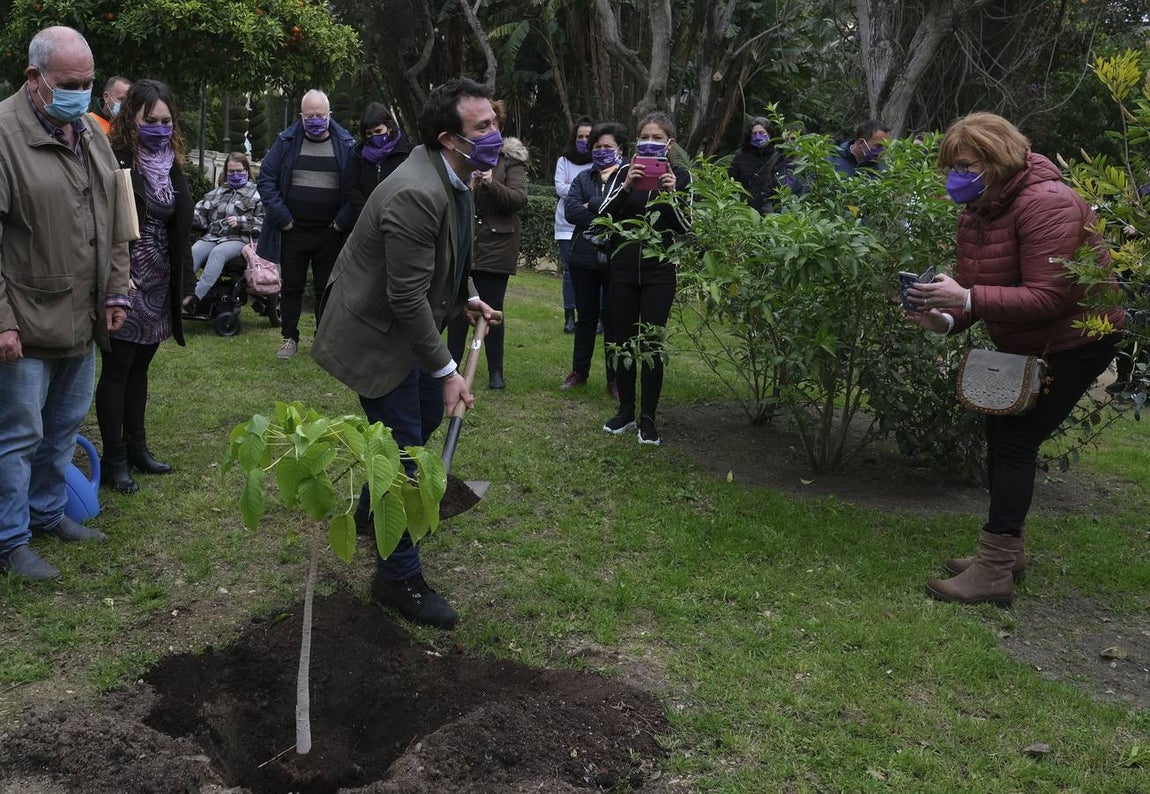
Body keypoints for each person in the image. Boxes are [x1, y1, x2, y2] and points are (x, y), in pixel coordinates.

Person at [905, 112, 1123, 607]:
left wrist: (964, 300)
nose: (953, 177)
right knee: (1001, 435)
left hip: (1075, 340)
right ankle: (1008, 553)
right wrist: (939, 315)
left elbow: (1047, 297)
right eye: (951, 167)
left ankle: (996, 569)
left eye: (963, 165)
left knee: (1015, 442)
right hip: (1027, 338)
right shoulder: (979, 210)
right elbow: (974, 294)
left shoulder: (1049, 205)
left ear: (996, 160)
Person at [311, 77, 498, 630]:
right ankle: (399, 578)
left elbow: (448, 253)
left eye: (494, 121)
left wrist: (467, 296)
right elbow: (405, 295)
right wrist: (446, 371)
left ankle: (372, 511)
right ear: (449, 138)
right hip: (377, 335)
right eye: (482, 126)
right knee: (403, 450)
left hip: (409, 325)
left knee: (417, 425)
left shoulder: (458, 176)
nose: (495, 133)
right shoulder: (417, 190)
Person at [0, 26, 129, 581]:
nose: (81, 93)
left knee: (64, 424)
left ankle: (48, 511)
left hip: (82, 314)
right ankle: (9, 539)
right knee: (19, 432)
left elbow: (116, 215)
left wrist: (117, 287)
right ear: (35, 79)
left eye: (88, 82)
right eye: (69, 84)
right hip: (25, 321)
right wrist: (2, 321)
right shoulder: (4, 135)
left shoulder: (88, 130)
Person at [96, 78, 194, 495]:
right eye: (150, 120)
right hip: (126, 277)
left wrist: (184, 278)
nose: (159, 127)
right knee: (118, 367)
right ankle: (113, 457)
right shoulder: (114, 159)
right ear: (131, 119)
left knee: (142, 367)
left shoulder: (171, 162)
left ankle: (138, 449)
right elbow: (101, 221)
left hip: (159, 281)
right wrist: (114, 277)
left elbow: (181, 226)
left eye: (166, 120)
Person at [599, 111, 692, 446]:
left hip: (660, 271)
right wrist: (626, 187)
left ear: (670, 144)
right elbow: (601, 215)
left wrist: (672, 195)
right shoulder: (624, 171)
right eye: (645, 137)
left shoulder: (680, 175)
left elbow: (687, 227)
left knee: (651, 343)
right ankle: (626, 410)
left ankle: (648, 419)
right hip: (623, 268)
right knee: (621, 340)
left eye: (657, 138)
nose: (650, 143)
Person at [256, 89, 355, 360]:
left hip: (330, 232)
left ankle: (323, 342)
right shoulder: (286, 142)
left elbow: (356, 187)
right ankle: (289, 338)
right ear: (301, 116)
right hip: (294, 230)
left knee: (328, 289)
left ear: (329, 114)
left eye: (319, 115)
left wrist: (341, 222)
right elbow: (266, 179)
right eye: (309, 115)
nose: (315, 119)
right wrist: (283, 218)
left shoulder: (346, 144)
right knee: (292, 287)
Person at [446, 101, 528, 391]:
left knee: (492, 311)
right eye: (482, 125)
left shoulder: (511, 160)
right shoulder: (461, 156)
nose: (489, 131)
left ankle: (496, 371)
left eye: (493, 124)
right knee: (457, 306)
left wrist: (492, 183)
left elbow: (518, 200)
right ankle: (450, 366)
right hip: (465, 245)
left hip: (497, 246)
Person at [559, 121, 627, 397]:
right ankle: (579, 372)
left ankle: (614, 379)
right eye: (597, 147)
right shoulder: (582, 178)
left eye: (607, 147)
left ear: (620, 149)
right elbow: (571, 212)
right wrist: (604, 213)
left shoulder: (626, 178)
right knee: (585, 317)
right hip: (583, 258)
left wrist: (594, 206)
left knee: (613, 319)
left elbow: (625, 212)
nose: (601, 151)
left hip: (616, 258)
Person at [184, 151, 264, 314]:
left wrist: (241, 221)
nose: (235, 175)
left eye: (239, 171)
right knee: (193, 252)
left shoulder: (257, 195)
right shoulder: (217, 193)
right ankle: (180, 293)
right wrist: (188, 216)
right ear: (226, 172)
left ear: (247, 171)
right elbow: (200, 215)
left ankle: (194, 298)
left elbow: (264, 223)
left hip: (239, 238)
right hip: (213, 236)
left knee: (217, 253)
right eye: (231, 172)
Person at [342, 101, 412, 231]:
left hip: (400, 224)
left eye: (378, 131)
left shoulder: (407, 153)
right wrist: (367, 214)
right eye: (369, 133)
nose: (374, 136)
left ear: (389, 127)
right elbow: (351, 187)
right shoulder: (358, 156)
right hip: (366, 225)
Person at [554, 116, 594, 333]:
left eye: (588, 137)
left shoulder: (598, 160)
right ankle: (569, 318)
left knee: (594, 270)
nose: (584, 140)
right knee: (569, 272)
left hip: (590, 223)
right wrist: (584, 192)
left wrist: (574, 189)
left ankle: (594, 317)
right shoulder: (564, 161)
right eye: (580, 136)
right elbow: (560, 188)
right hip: (566, 225)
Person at [728, 116, 787, 213]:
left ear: (769, 134)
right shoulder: (741, 156)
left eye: (761, 133)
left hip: (769, 208)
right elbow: (731, 180)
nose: (758, 137)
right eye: (754, 134)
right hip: (745, 207)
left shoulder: (777, 157)